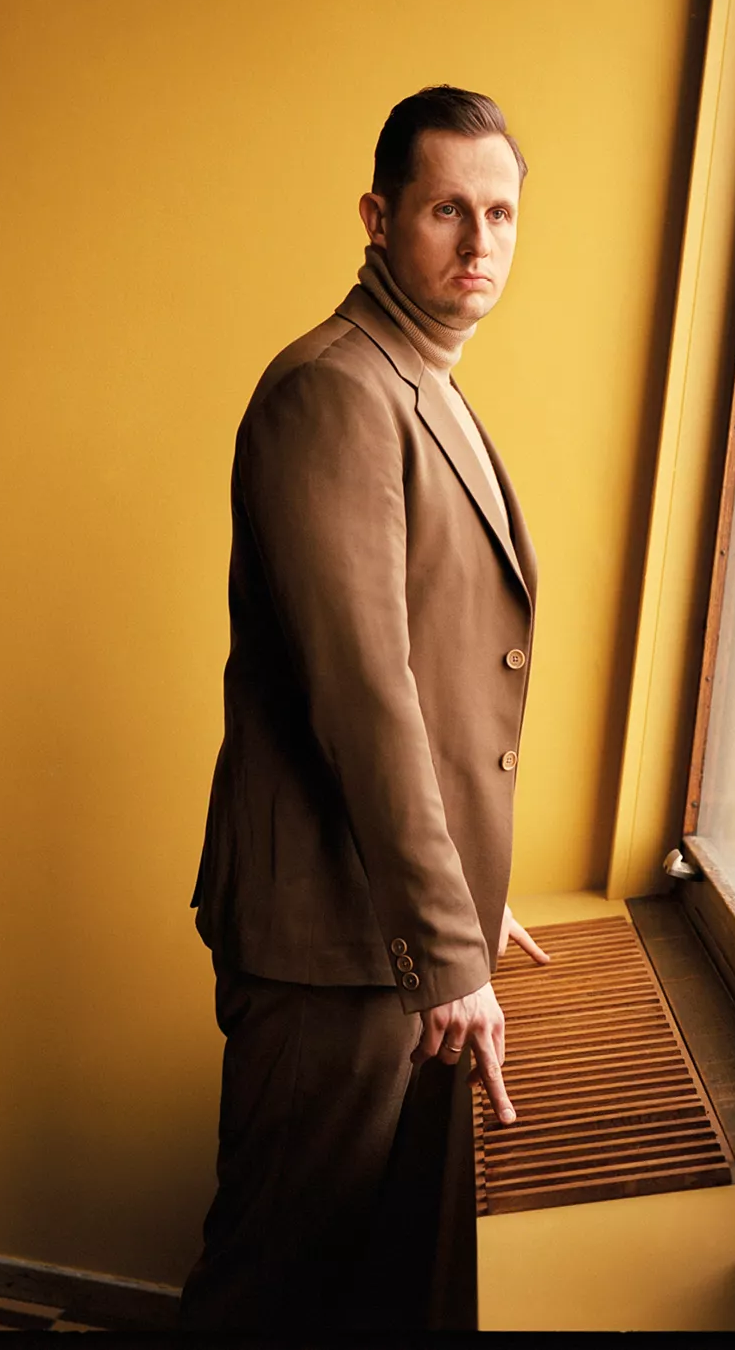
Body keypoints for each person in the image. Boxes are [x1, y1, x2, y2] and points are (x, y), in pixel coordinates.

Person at [179, 85, 550, 1334]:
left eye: (500, 212)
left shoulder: (420, 377)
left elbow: (433, 677)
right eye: (446, 209)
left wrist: (473, 896)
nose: (479, 240)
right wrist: (445, 941)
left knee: (342, 1282)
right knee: (273, 1280)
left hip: (374, 925)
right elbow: (365, 691)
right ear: (378, 217)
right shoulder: (334, 389)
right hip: (327, 940)